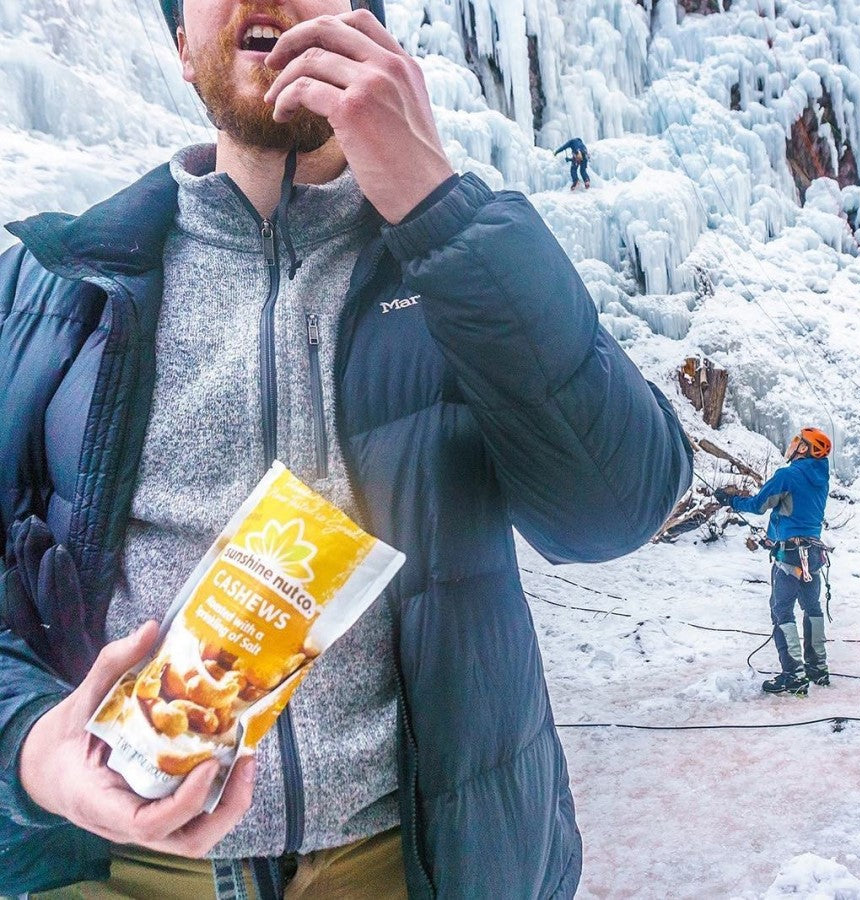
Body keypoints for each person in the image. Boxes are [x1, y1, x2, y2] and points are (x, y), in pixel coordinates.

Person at [0, 2, 693, 897]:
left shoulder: (466, 264)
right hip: (116, 865)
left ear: (368, 33)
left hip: (413, 865)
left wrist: (436, 205)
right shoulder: (46, 290)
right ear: (180, 50)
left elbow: (615, 509)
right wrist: (29, 746)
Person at [716, 428, 832, 697]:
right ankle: (818, 668)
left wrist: (730, 500)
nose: (793, 444)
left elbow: (759, 505)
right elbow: (797, 510)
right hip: (814, 554)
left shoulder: (787, 475)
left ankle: (794, 675)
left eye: (797, 441)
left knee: (782, 610)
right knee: (812, 608)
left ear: (803, 449)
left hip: (789, 554)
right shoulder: (821, 478)